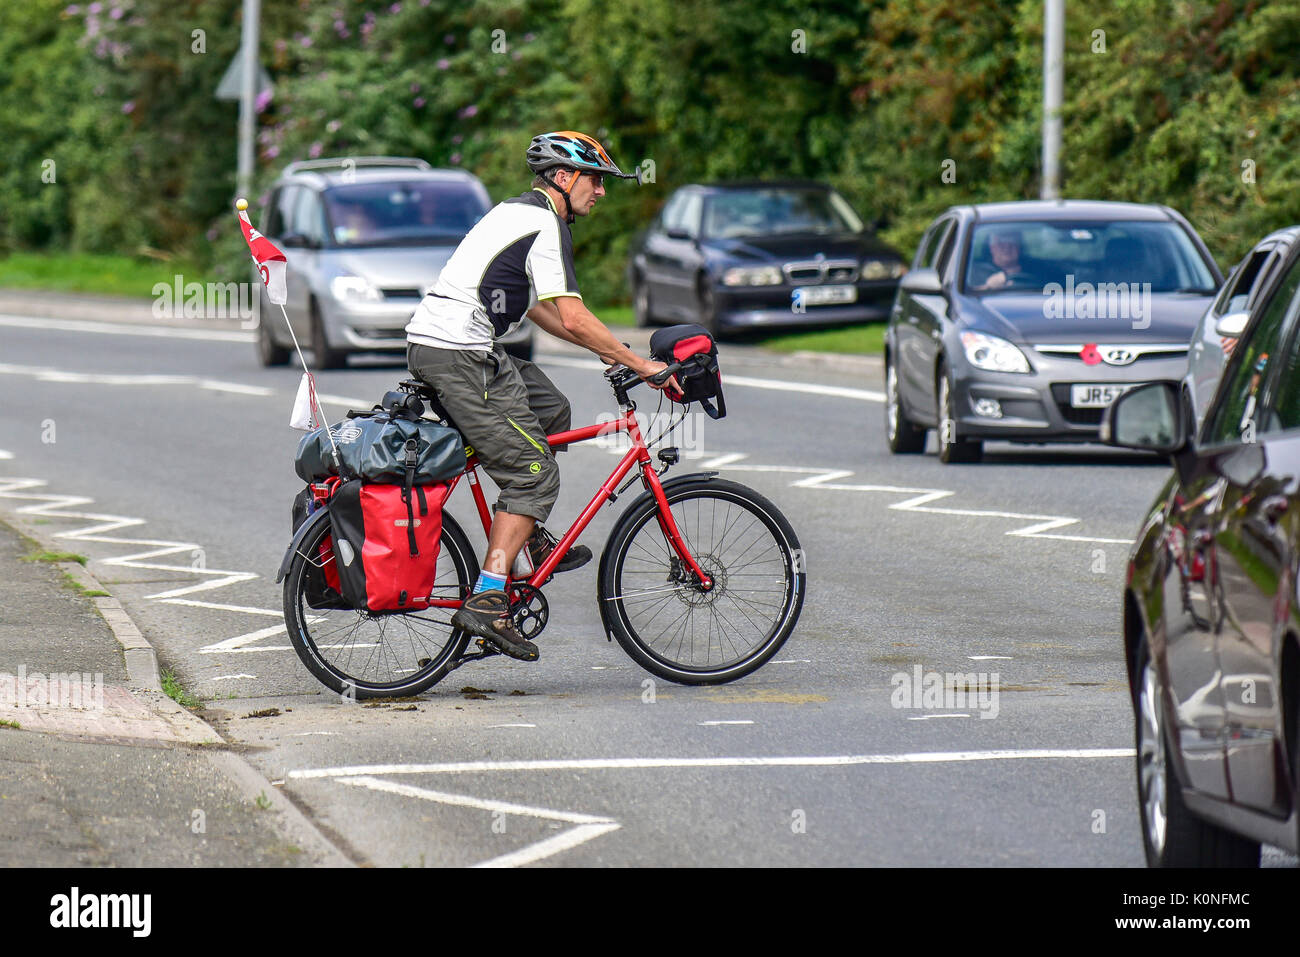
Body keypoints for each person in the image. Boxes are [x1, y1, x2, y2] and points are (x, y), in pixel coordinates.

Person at [406, 130, 673, 662]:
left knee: (551, 409)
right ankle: (487, 599)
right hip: (459, 352)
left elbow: (539, 310)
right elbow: (571, 313)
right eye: (595, 180)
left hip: (450, 344)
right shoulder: (544, 223)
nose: (601, 191)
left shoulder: (517, 214)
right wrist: (642, 365)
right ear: (563, 177)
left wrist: (611, 349)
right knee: (535, 471)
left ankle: (524, 533)